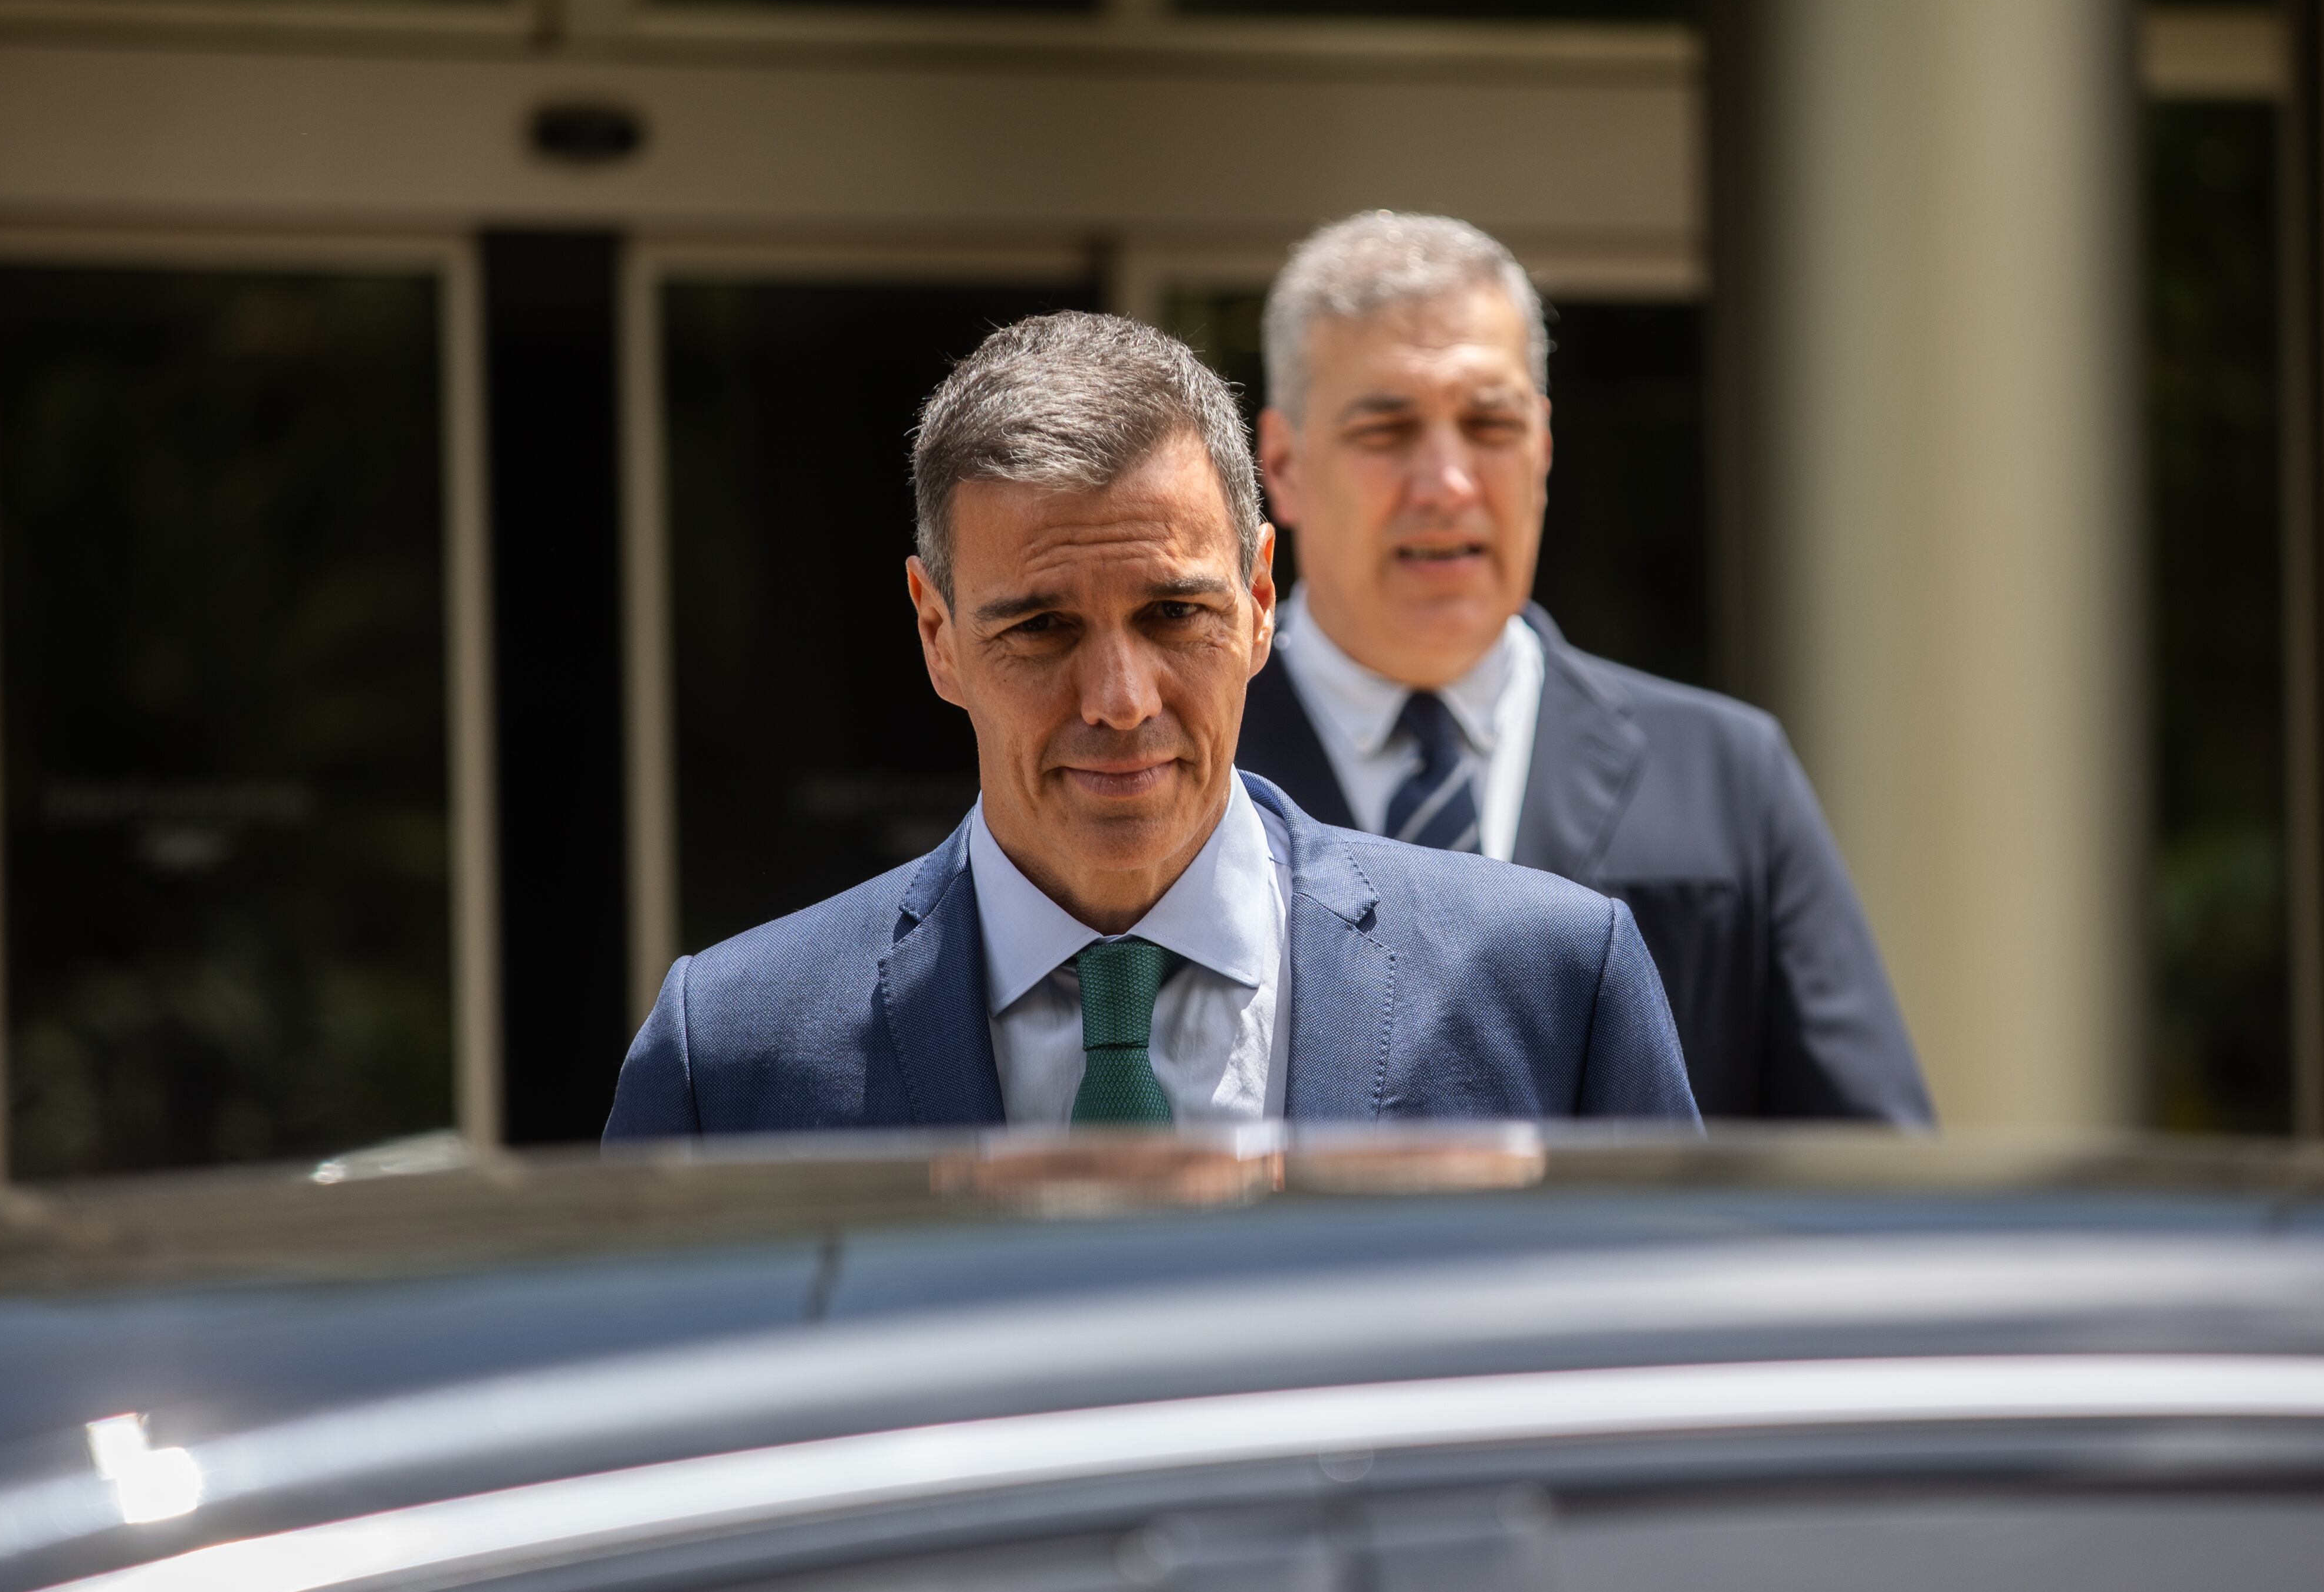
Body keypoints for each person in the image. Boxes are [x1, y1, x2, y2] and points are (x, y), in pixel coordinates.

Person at [604, 312, 1698, 1135]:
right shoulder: (731, 1056)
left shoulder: (1552, 987)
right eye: (1041, 628)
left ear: (1260, 601)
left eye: (1175, 614)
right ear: (938, 634)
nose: (1121, 700)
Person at [1236, 212, 1932, 1124]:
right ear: (1283, 464)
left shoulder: (1725, 779)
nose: (1447, 483)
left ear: (1543, 449)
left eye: (1491, 423)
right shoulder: (1186, 772)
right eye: (1388, 428)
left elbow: (1864, 1165)